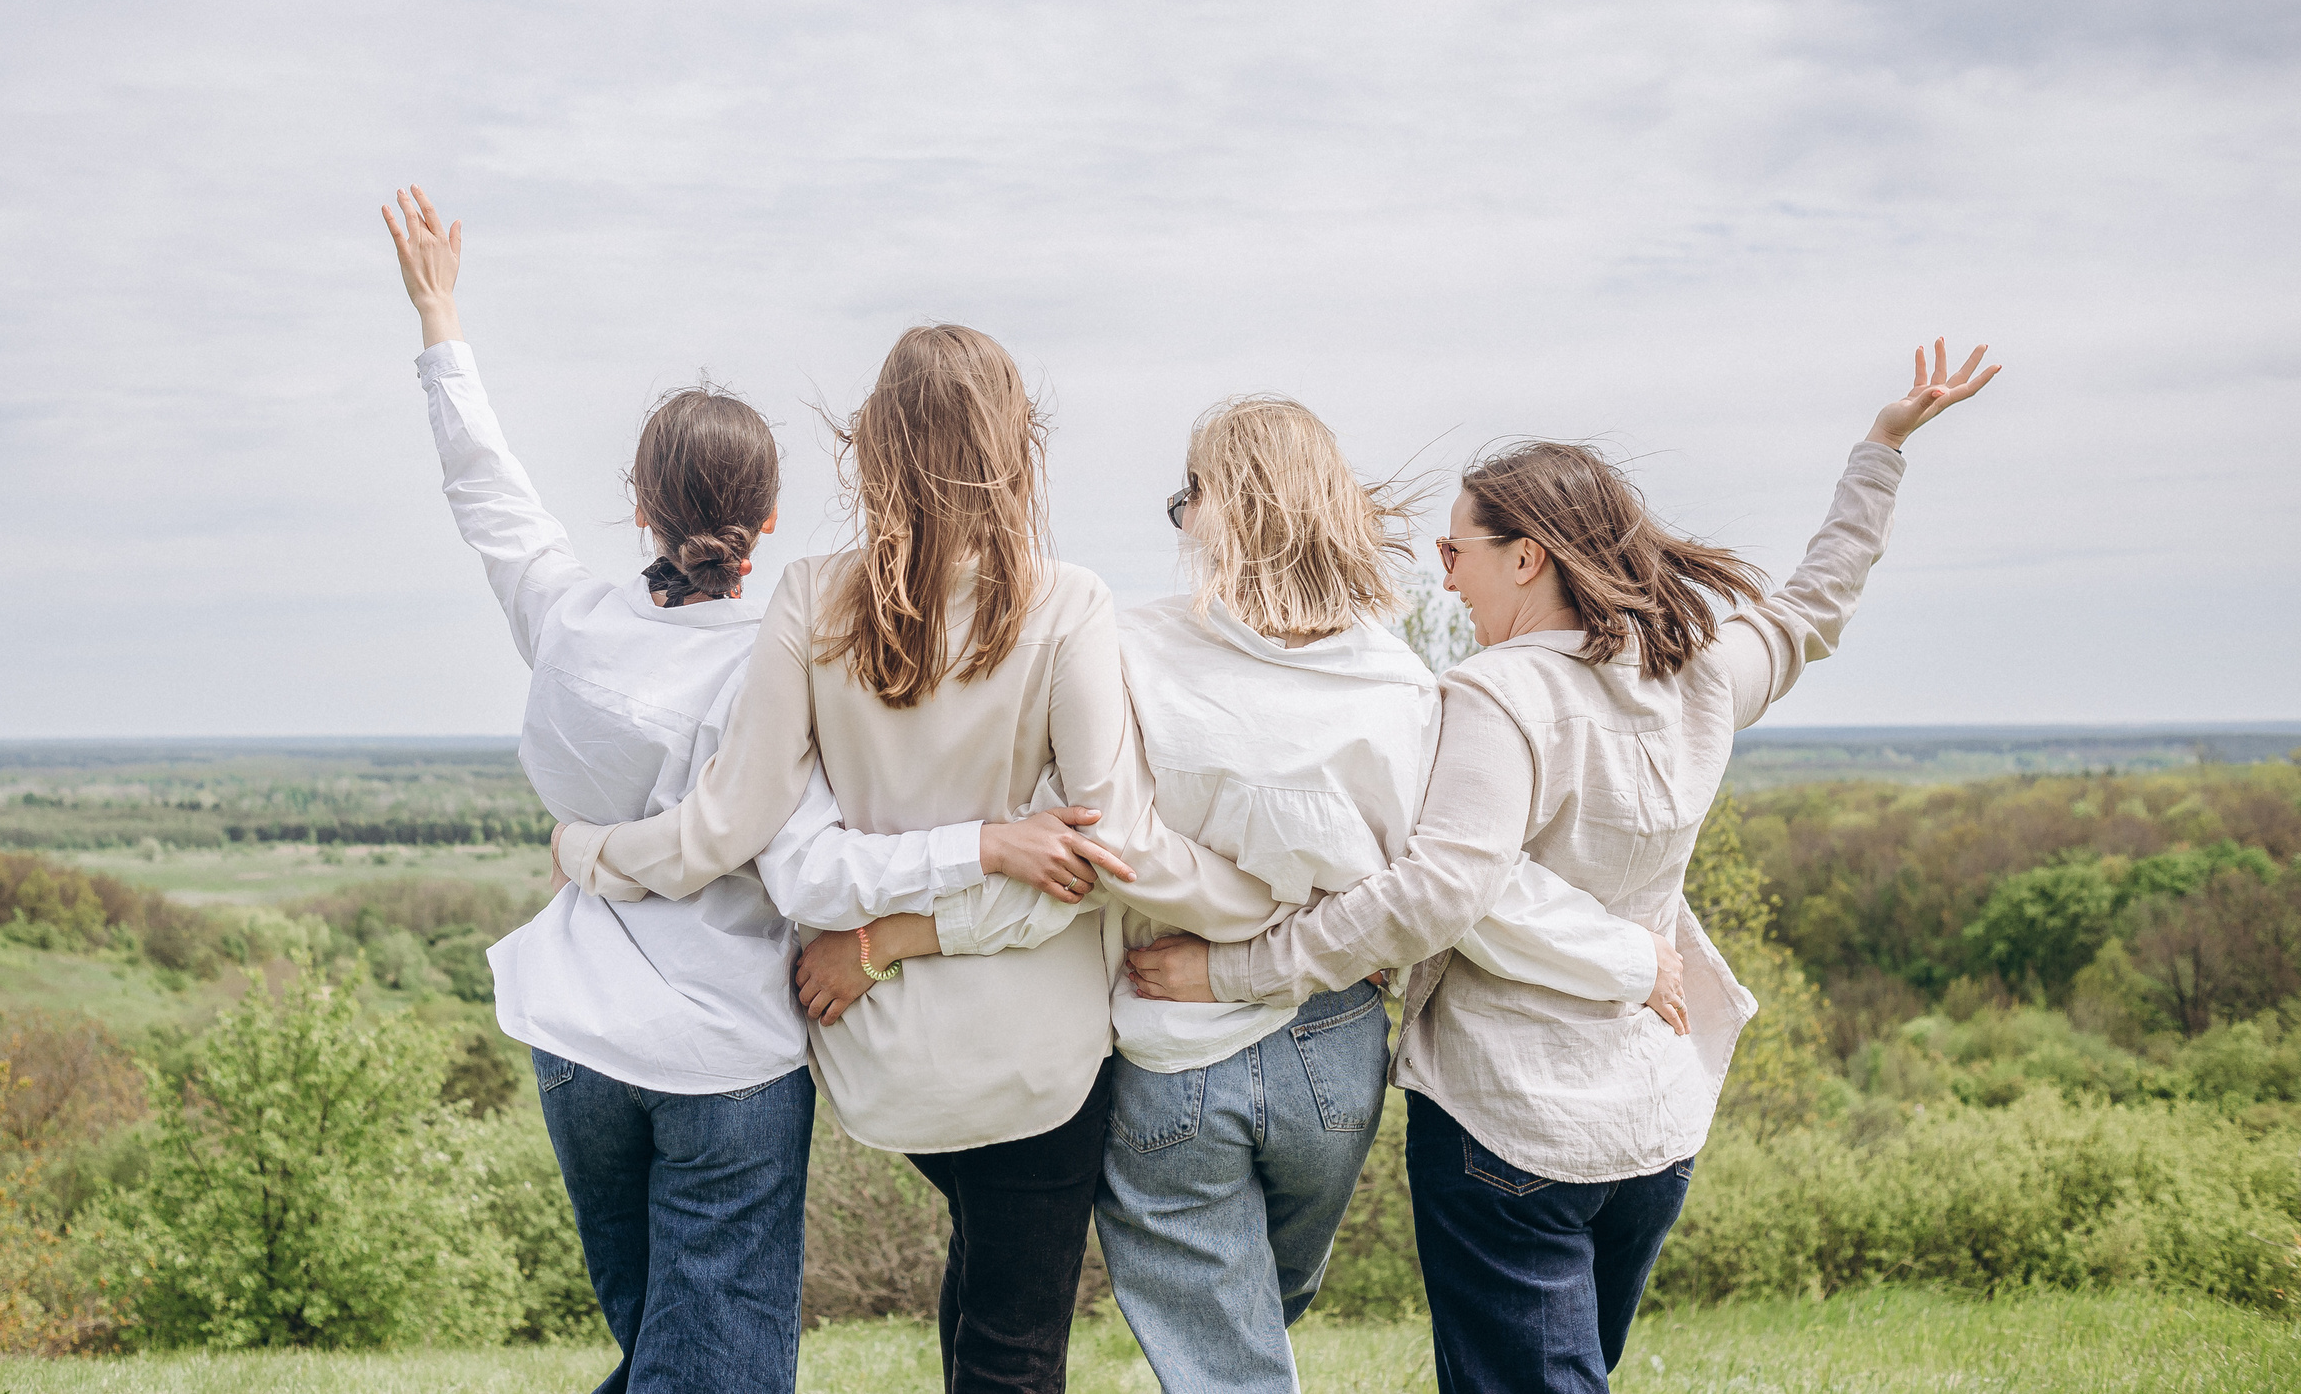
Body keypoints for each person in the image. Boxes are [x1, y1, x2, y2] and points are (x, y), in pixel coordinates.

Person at [1127, 342, 2001, 1394]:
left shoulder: (1491, 696)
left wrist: (1234, 970)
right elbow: (1814, 606)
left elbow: (1439, 889)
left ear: (1526, 557)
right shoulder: (1700, 676)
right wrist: (1879, 452)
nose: (1439, 571)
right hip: (1654, 1123)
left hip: (1510, 1122)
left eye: (1458, 550)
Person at [384, 190, 1125, 1394]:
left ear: (636, 502)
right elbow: (791, 850)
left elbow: (489, 492)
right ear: (770, 519)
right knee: (712, 1364)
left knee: (659, 1350)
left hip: (570, 1034)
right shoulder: (789, 643)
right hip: (726, 1049)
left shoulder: (571, 620)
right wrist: (986, 844)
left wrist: (440, 323)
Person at [794, 395, 1684, 1394]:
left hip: (1178, 1048)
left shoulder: (1127, 654)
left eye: (1187, 497)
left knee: (1229, 1351)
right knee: (1269, 1305)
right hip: (1335, 1053)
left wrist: (899, 933)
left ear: (1218, 510)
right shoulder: (1403, 685)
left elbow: (1068, 867)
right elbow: (1460, 889)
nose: (1179, 520)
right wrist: (1627, 955)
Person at [556, 323, 1291, 1394]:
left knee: (977, 1272)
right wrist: (1265, 914)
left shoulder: (810, 595)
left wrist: (588, 850)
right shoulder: (1069, 601)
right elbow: (1105, 849)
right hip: (1040, 1065)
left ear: (869, 446)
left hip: (877, 1054)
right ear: (1017, 445)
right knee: (1012, 1345)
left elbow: (730, 831)